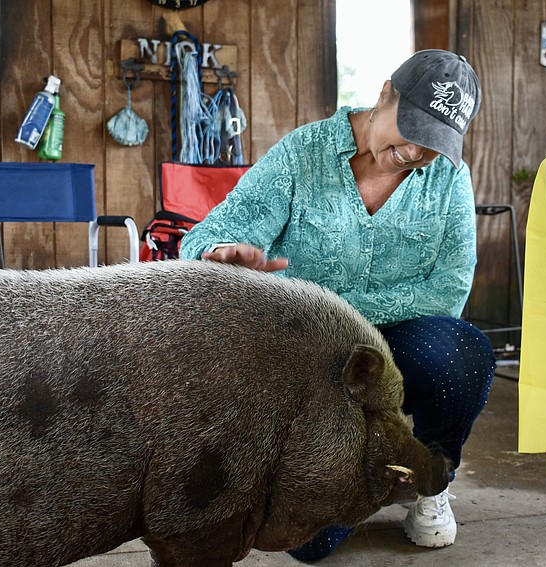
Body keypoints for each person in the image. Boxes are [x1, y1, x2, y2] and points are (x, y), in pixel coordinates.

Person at [179, 49, 496, 560]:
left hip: (398, 341)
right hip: (307, 351)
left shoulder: (448, 179)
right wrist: (221, 254)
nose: (416, 151)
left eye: (435, 143)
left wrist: (338, 308)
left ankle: (428, 482)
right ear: (384, 94)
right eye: (411, 128)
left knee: (461, 354)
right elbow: (213, 233)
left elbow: (449, 287)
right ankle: (365, 474)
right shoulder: (303, 153)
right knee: (311, 546)